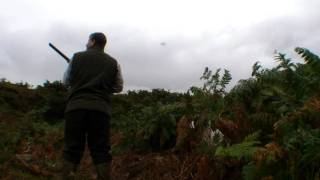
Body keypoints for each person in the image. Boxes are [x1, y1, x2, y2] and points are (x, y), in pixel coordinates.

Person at [60, 32, 123, 180]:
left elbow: (66, 82)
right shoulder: (114, 63)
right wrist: (103, 87)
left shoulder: (76, 57)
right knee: (101, 150)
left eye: (88, 40)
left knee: (72, 150)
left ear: (93, 41)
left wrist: (80, 79)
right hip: (101, 111)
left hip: (76, 109)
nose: (86, 43)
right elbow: (119, 87)